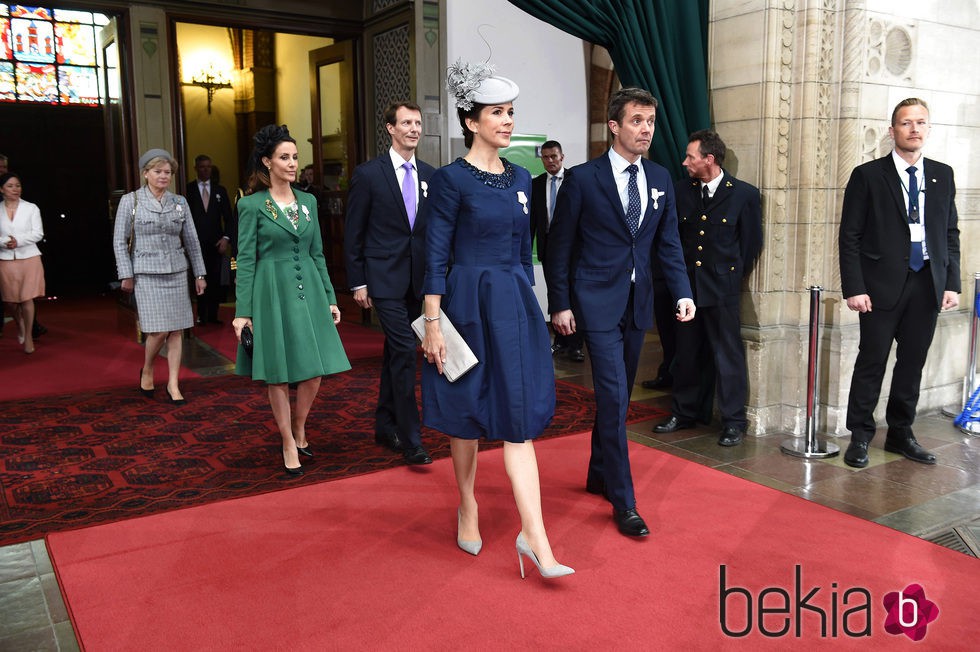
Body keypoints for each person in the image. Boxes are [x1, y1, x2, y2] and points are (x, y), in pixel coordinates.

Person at [420, 61, 572, 579]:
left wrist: (536, 305)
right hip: (463, 301)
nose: (508, 121)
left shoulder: (521, 179)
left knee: (518, 416)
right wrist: (433, 321)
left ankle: (535, 536)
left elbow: (522, 250)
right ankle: (467, 504)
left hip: (512, 301)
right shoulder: (448, 180)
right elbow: (436, 252)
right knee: (465, 408)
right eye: (497, 112)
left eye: (511, 112)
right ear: (471, 121)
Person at [545, 87, 695, 538]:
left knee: (619, 397)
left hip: (639, 302)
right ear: (614, 126)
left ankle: (596, 471)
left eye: (650, 121)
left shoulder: (662, 179)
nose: (645, 129)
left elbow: (667, 242)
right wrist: (560, 303)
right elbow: (560, 246)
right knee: (613, 397)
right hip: (594, 301)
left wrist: (683, 292)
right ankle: (623, 500)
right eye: (636, 121)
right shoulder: (583, 179)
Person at [839, 98, 960, 468]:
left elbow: (950, 232)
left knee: (912, 364)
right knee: (871, 361)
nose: (914, 129)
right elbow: (850, 236)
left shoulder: (943, 174)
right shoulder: (868, 175)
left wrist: (950, 282)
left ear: (928, 128)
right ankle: (860, 435)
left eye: (921, 122)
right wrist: (854, 287)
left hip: (927, 284)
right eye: (906, 123)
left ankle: (900, 433)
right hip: (878, 286)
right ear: (893, 131)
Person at [232, 125, 351, 476]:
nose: (292, 163)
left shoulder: (309, 201)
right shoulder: (252, 205)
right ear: (267, 161)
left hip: (310, 291)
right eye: (284, 157)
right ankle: (287, 440)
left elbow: (318, 254)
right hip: (271, 294)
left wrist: (330, 297)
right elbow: (246, 259)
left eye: (295, 157)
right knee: (279, 375)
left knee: (314, 370)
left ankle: (299, 425)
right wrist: (243, 313)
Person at [652, 130, 763, 446]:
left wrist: (728, 277)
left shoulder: (743, 195)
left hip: (721, 290)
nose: (684, 162)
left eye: (691, 157)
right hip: (687, 290)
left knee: (727, 357)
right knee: (685, 354)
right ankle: (684, 412)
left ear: (709, 159)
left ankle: (733, 421)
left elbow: (750, 244)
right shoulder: (680, 190)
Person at [345, 101, 435, 465]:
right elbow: (354, 231)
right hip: (382, 279)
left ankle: (384, 425)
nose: (414, 128)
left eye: (417, 123)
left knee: (395, 354)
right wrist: (357, 282)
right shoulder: (369, 174)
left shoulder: (431, 174)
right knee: (403, 351)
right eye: (406, 123)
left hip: (419, 279)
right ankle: (411, 438)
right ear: (390, 128)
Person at [112, 149, 208, 403]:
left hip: (177, 271)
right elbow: (119, 242)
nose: (164, 176)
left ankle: (173, 384)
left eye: (168, 172)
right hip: (146, 273)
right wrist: (126, 273)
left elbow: (192, 241)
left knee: (176, 331)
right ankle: (148, 368)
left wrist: (199, 273)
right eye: (158, 172)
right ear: (145, 173)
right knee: (157, 332)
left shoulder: (179, 203)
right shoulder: (130, 201)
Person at [530, 140, 584, 362]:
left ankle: (576, 345)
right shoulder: (536, 184)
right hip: (548, 247)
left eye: (554, 156)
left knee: (575, 296)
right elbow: (532, 221)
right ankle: (560, 341)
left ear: (562, 157)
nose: (550, 161)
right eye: (545, 157)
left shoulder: (576, 179)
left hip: (574, 248)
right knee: (556, 293)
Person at [185, 154, 233, 326]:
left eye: (208, 166)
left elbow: (229, 218)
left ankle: (213, 315)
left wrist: (226, 239)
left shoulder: (220, 190)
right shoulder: (188, 190)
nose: (206, 169)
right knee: (198, 278)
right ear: (196, 168)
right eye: (202, 166)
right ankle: (200, 315)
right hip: (196, 243)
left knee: (215, 279)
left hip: (216, 244)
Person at [1, 172, 46, 354]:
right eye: (10, 186)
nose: (15, 189)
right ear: (2, 189)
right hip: (5, 259)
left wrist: (17, 240)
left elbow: (38, 233)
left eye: (17, 185)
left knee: (27, 298)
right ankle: (19, 323)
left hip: (29, 257)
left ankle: (28, 336)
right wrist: (5, 241)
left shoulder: (31, 208)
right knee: (10, 301)